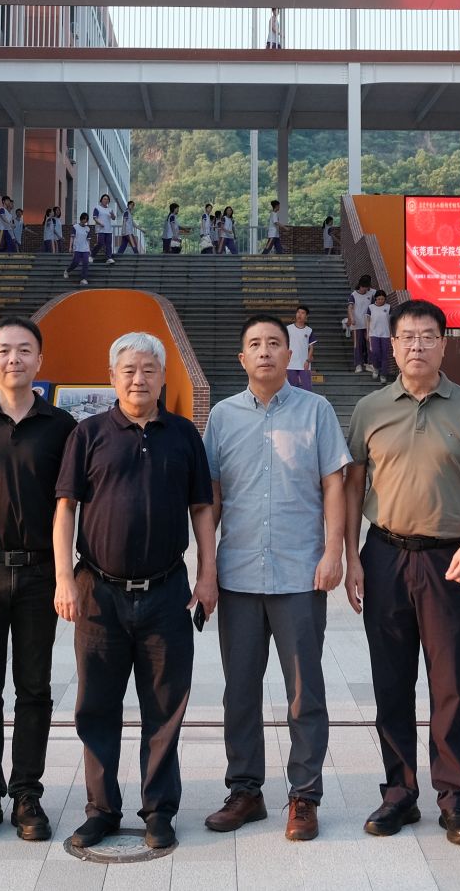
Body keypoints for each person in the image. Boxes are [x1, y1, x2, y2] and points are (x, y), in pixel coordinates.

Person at [343, 299, 460, 846]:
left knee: (450, 683)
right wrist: (352, 558)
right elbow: (353, 487)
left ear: (443, 342)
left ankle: (453, 797)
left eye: (428, 336)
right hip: (384, 554)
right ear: (392, 344)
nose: (417, 345)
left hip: (449, 559)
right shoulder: (369, 408)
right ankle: (399, 792)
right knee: (391, 681)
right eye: (407, 336)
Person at [54, 332, 219, 851]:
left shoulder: (184, 435)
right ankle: (101, 809)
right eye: (128, 370)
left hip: (166, 593)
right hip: (98, 593)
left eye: (149, 369)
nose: (138, 379)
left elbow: (202, 509)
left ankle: (159, 810)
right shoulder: (88, 434)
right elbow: (65, 509)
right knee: (96, 707)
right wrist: (63, 579)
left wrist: (207, 574)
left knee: (165, 707)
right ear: (112, 377)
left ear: (163, 376)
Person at [202, 315, 350, 842]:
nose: (264, 351)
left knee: (304, 691)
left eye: (274, 343)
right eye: (254, 344)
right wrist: (205, 570)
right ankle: (246, 791)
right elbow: (211, 499)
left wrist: (334, 552)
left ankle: (304, 796)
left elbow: (334, 485)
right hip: (238, 575)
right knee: (239, 692)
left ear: (291, 354)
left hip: (300, 574)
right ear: (242, 358)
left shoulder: (316, 410)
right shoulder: (221, 417)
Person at [0, 319, 77, 842]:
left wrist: (63, 572)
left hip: (40, 572)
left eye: (24, 350)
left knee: (34, 686)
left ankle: (27, 793)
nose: (14, 359)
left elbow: (68, 502)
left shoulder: (63, 426)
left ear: (39, 360)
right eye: (4, 350)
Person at [349, 275, 376, 373]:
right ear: (360, 285)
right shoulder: (353, 295)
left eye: (367, 287)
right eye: (364, 287)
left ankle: (370, 364)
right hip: (357, 324)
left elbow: (374, 307)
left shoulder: (371, 294)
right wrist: (352, 318)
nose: (365, 289)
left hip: (368, 324)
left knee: (370, 344)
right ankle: (358, 364)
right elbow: (350, 307)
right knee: (358, 345)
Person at [285, 305, 316, 391]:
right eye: (298, 312)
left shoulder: (309, 330)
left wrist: (308, 360)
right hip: (291, 364)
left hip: (304, 364)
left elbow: (311, 347)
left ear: (306, 316)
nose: (299, 315)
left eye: (302, 313)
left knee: (307, 388)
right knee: (292, 389)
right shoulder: (288, 329)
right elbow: (284, 344)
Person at [367, 289, 392, 380]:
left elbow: (390, 321)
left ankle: (383, 374)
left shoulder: (388, 307)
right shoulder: (370, 307)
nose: (381, 301)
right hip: (374, 334)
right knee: (375, 352)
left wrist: (391, 333)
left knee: (385, 354)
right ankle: (376, 368)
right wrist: (367, 333)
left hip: (385, 334)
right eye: (379, 299)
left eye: (382, 299)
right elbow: (368, 321)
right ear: (375, 299)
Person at [67, 212, 93, 285]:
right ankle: (67, 271)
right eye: (84, 219)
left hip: (85, 249)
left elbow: (88, 240)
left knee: (85, 263)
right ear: (81, 219)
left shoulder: (88, 229)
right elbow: (72, 237)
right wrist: (70, 247)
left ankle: (83, 279)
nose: (85, 220)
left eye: (86, 219)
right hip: (77, 248)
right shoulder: (75, 227)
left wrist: (89, 249)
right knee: (75, 263)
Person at [95, 194, 116, 265]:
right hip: (100, 229)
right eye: (104, 199)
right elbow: (95, 218)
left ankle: (109, 258)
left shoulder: (110, 209)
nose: (106, 200)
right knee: (100, 243)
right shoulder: (97, 208)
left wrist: (112, 214)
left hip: (108, 230)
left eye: (107, 199)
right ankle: (92, 255)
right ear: (101, 200)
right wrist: (100, 223)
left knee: (108, 244)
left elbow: (113, 218)